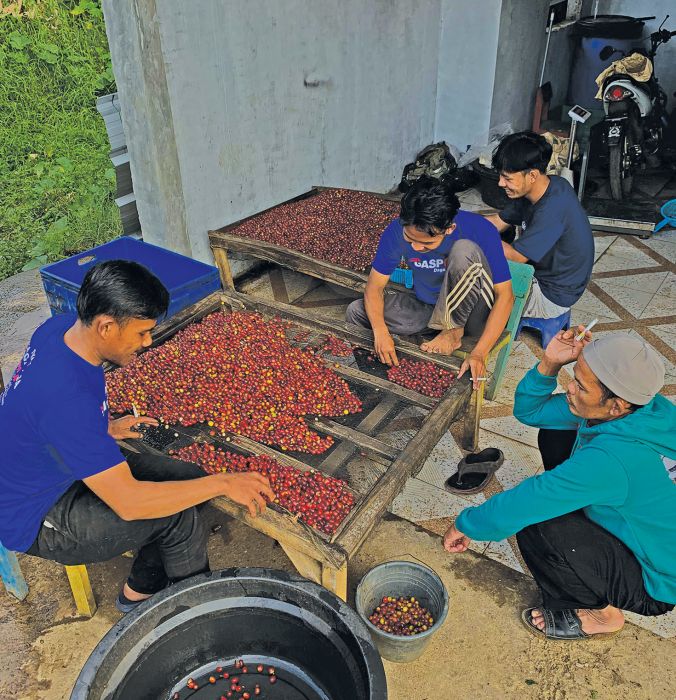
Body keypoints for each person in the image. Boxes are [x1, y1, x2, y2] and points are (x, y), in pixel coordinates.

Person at [0, 261, 274, 612]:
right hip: (35, 512)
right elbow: (129, 503)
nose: (148, 342)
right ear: (106, 326)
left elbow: (42, 413)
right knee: (179, 518)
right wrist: (224, 483)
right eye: (142, 333)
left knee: (191, 480)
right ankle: (200, 616)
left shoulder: (59, 331)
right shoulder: (67, 402)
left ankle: (139, 591)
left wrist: (106, 428)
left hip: (57, 465)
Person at [443, 329, 676, 641]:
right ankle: (586, 511)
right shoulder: (644, 406)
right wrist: (550, 362)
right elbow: (531, 411)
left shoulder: (616, 458)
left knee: (537, 524)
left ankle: (603, 614)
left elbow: (528, 501)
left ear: (616, 406)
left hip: (656, 581)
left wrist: (466, 525)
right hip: (640, 520)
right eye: (574, 376)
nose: (569, 388)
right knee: (555, 431)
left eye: (580, 385)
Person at [346, 176, 514, 386]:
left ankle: (452, 331)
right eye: (410, 240)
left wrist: (479, 353)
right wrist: (380, 333)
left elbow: (506, 297)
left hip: (474, 316)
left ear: (449, 228)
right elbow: (374, 288)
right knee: (357, 312)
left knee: (464, 250)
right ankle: (377, 382)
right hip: (428, 309)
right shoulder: (396, 230)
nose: (416, 248)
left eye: (427, 243)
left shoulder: (479, 229)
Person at [485, 131, 594, 320]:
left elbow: (516, 257)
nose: (500, 183)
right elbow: (498, 221)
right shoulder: (546, 186)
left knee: (471, 280)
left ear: (532, 175)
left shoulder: (553, 208)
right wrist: (457, 224)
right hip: (542, 274)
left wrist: (475, 235)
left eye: (508, 178)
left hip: (551, 295)